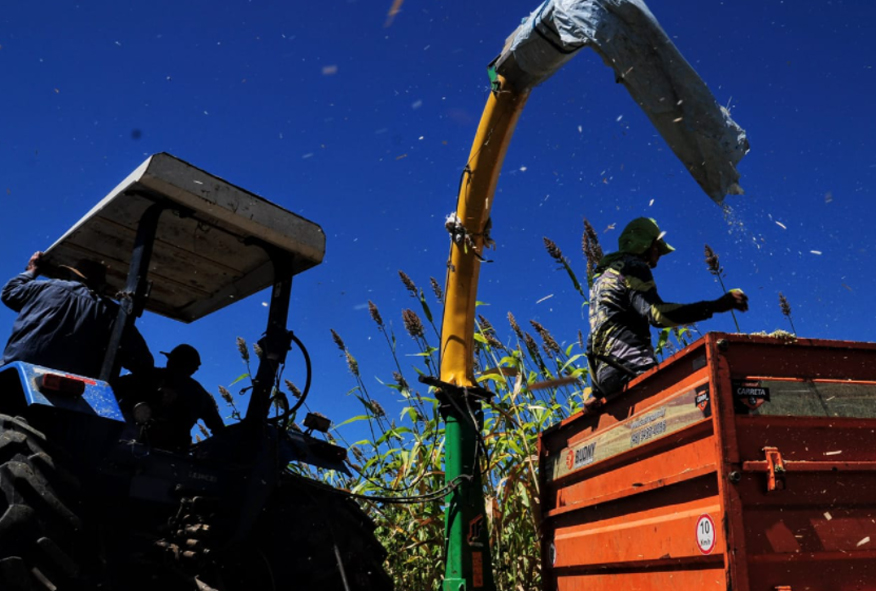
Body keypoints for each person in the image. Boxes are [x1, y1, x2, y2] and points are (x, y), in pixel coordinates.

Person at [587, 217, 748, 398]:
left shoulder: (602, 280)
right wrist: (715, 306)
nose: (659, 253)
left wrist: (596, 392)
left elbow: (596, 334)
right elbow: (657, 314)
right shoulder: (633, 267)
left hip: (607, 377)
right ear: (643, 244)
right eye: (657, 246)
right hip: (632, 367)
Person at [1, 251, 153, 378]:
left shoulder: (47, 287)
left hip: (18, 371)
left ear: (74, 276)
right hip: (79, 387)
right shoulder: (113, 313)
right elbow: (141, 360)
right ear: (101, 285)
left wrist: (32, 270)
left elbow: (9, 292)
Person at [118, 344, 225, 451]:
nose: (169, 363)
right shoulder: (198, 393)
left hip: (163, 452)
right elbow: (219, 429)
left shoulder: (197, 393)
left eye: (176, 362)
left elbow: (218, 429)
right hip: (163, 452)